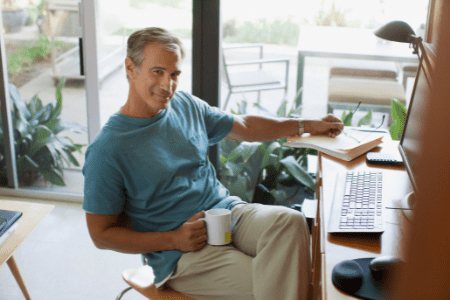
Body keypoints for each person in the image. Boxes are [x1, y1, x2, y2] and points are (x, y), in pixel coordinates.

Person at [83, 27, 344, 300]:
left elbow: (246, 127)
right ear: (130, 67)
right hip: (182, 253)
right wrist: (172, 238)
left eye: (174, 74)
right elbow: (101, 234)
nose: (167, 86)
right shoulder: (108, 149)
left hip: (226, 214)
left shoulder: (185, 105)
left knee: (289, 222)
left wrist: (306, 125)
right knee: (284, 285)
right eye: (157, 71)